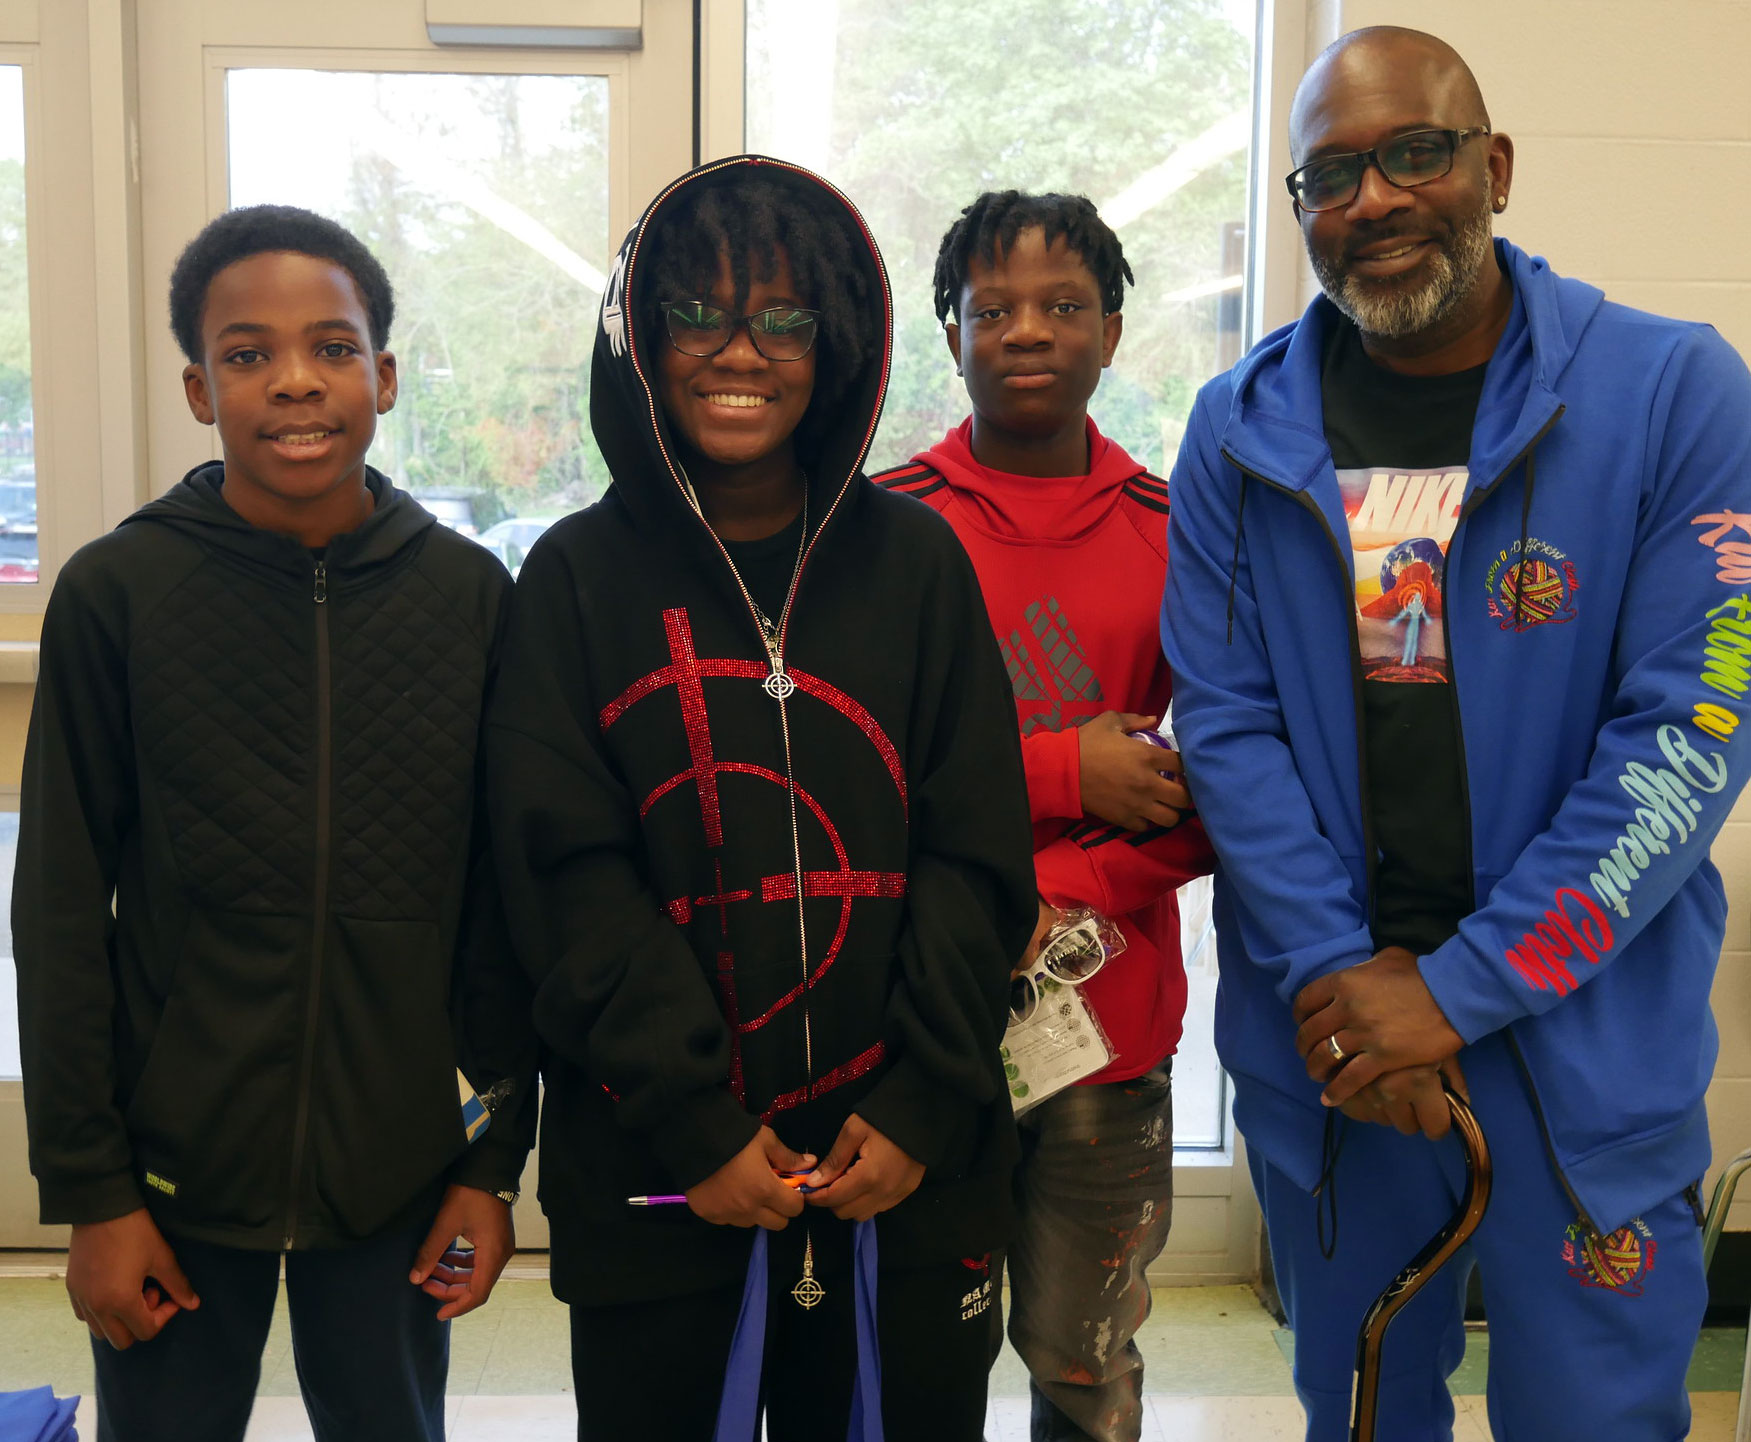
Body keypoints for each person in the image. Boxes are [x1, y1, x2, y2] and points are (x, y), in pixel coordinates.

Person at [1161, 26, 1751, 1442]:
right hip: (1337, 1047)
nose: (1370, 199)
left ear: (1489, 166)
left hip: (1580, 1044)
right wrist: (1347, 993)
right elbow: (1226, 727)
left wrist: (1464, 987)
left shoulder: (1676, 394)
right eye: (1329, 174)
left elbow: (1693, 729)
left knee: (1594, 1417)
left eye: (1411, 153)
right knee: (1357, 1408)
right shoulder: (1233, 432)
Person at [486, 157, 1036, 1441]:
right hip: (662, 1174)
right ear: (644, 336)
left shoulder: (918, 565)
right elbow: (565, 880)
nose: (744, 352)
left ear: (834, 339)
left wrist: (917, 1099)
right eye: (701, 315)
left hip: (908, 1165)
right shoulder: (569, 580)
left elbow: (976, 855)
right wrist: (691, 1119)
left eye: (784, 318)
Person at [13, 204, 537, 1442]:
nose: (294, 380)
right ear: (199, 388)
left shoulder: (470, 598)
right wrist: (91, 1188)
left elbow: (505, 909)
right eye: (247, 353)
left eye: (332, 346)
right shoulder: (118, 593)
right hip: (169, 1172)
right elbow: (59, 911)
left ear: (385, 374)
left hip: (400, 1170)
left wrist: (487, 1161)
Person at [875, 190, 1213, 1442]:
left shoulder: (1177, 532)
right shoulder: (887, 524)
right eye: (992, 307)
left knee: (1083, 1352)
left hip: (1106, 1025)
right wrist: (1067, 774)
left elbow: (1212, 788)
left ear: (1113, 334)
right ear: (948, 333)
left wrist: (1075, 887)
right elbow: (855, 779)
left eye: (1061, 305)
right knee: (915, 1340)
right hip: (909, 1017)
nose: (1026, 330)